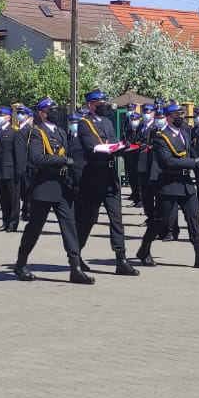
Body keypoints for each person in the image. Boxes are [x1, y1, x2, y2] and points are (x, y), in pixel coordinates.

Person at [12, 99, 93, 285]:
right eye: (50, 110)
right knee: (35, 227)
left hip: (62, 186)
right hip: (44, 186)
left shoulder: (61, 132)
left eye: (55, 109)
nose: (55, 112)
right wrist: (62, 161)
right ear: (41, 113)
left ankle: (75, 269)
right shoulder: (37, 132)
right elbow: (37, 158)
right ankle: (21, 263)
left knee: (69, 227)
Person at [135, 103, 199, 269]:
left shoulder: (185, 134)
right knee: (160, 220)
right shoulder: (161, 137)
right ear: (168, 117)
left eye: (181, 114)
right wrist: (193, 162)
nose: (180, 117)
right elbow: (167, 161)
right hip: (169, 184)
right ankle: (144, 248)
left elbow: (189, 153)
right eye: (176, 115)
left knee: (194, 219)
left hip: (186, 183)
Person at [73, 90, 138, 276]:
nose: (102, 105)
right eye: (98, 103)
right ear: (90, 105)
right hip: (94, 176)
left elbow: (114, 142)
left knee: (116, 220)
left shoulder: (107, 122)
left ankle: (121, 259)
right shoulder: (84, 124)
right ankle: (75, 255)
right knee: (88, 220)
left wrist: (125, 148)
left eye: (103, 102)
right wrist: (114, 147)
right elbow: (92, 147)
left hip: (110, 176)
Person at [0, 106, 22, 231]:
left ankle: (13, 223)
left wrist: (18, 170)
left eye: (2, 116)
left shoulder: (14, 132)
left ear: (8, 117)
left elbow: (18, 154)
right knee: (2, 198)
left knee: (13, 199)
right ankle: (5, 221)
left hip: (10, 170)